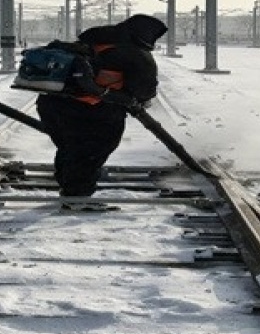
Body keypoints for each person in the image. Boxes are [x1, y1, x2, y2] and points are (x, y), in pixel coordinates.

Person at [36, 14, 168, 197]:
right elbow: (145, 91)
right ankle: (77, 197)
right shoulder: (137, 55)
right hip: (93, 112)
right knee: (92, 150)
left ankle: (68, 183)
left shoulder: (93, 40)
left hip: (51, 105)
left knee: (70, 147)